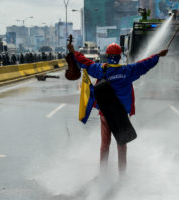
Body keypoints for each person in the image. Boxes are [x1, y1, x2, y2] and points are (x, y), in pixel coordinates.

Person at [67, 42, 168, 174]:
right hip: (121, 116)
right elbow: (144, 64)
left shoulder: (101, 70)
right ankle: (122, 176)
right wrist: (158, 56)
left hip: (105, 115)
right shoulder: (128, 71)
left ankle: (103, 172)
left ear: (107, 56)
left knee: (104, 145)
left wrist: (73, 51)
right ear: (120, 57)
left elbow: (84, 62)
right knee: (122, 144)